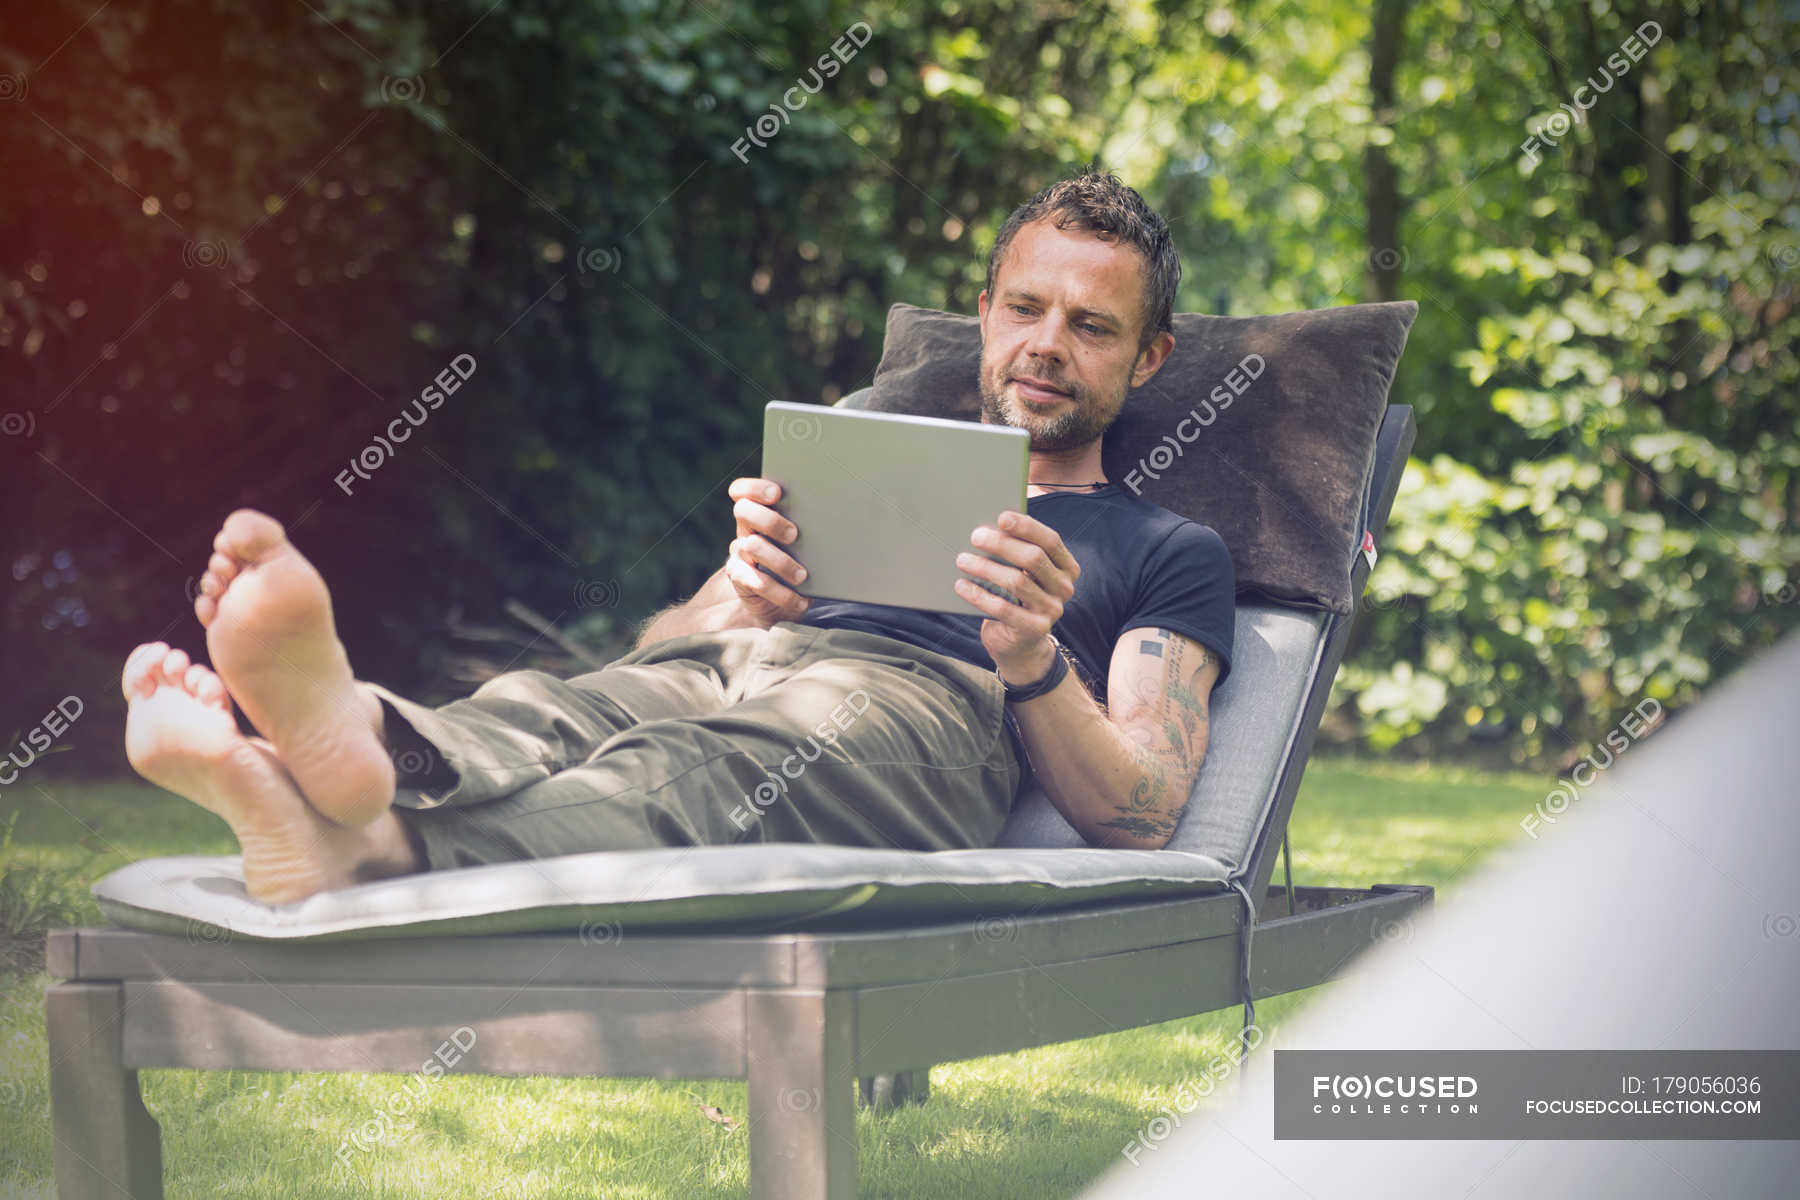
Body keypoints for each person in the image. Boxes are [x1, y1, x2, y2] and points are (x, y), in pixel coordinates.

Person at [120, 171, 1236, 905]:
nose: (1046, 345)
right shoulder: (865, 451)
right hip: (747, 662)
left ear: (1147, 360)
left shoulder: (1164, 547)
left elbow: (1141, 815)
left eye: (1091, 327)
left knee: (692, 770)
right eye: (1027, 308)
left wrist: (1033, 658)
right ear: (986, 309)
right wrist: (738, 598)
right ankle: (349, 738)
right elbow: (664, 644)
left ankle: (374, 849)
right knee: (562, 706)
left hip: (934, 707)